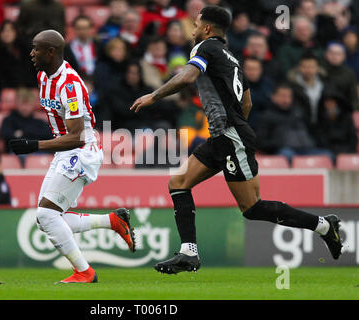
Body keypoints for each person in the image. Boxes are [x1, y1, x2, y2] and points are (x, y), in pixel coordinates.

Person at [130, 5, 343, 275]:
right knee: (178, 183)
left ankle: (324, 225)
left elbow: (188, 76)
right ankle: (188, 253)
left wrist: (154, 96)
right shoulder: (231, 57)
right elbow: (247, 101)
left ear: (207, 28)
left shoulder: (204, 48)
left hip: (230, 136)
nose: (192, 29)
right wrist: (233, 126)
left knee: (252, 207)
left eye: (195, 24)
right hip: (225, 136)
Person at [9, 30, 136, 283]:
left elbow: (77, 136)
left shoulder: (70, 85)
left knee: (47, 215)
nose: (31, 53)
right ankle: (113, 221)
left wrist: (33, 145)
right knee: (45, 218)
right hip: (66, 152)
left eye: (36, 48)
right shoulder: (43, 77)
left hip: (81, 151)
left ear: (51, 52)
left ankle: (85, 272)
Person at [255, 83, 333, 162]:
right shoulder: (266, 116)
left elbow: (313, 132)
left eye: (289, 96)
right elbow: (261, 141)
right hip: (282, 151)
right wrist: (277, 144)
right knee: (287, 155)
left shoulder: (299, 113)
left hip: (306, 149)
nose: (286, 99)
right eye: (283, 96)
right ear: (273, 97)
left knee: (328, 155)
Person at [0, 20, 36, 92]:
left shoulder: (25, 47)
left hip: (27, 86)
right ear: (0, 34)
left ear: (16, 33)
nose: (7, 34)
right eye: (4, 31)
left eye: (10, 31)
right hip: (2, 88)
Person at [322, 41, 359, 110]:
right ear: (326, 54)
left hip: (345, 109)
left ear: (344, 56)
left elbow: (353, 96)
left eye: (338, 54)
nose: (334, 56)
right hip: (323, 109)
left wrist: (354, 109)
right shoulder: (320, 72)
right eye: (332, 53)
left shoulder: (349, 73)